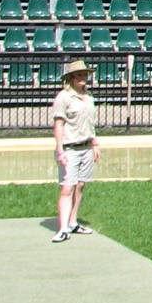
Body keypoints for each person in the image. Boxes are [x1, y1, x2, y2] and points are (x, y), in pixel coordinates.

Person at [50, 59, 100, 242]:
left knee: (80, 185)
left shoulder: (89, 98)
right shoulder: (63, 97)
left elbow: (89, 124)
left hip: (86, 146)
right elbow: (59, 124)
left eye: (84, 75)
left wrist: (94, 144)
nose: (82, 78)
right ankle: (63, 228)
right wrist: (59, 150)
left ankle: (73, 222)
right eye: (78, 75)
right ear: (71, 78)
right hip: (70, 148)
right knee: (66, 188)